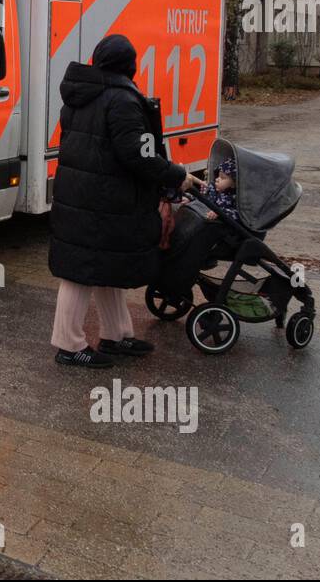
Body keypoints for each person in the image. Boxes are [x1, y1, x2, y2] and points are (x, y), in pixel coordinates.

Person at [49, 34, 201, 368]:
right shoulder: (122, 100)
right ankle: (69, 344)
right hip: (101, 199)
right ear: (128, 65)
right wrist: (177, 176)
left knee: (103, 266)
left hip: (83, 195)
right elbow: (138, 154)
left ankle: (115, 335)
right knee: (80, 272)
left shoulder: (79, 95)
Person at [204, 158, 240, 222]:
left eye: (222, 178)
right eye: (218, 176)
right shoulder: (213, 189)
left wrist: (220, 213)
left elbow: (238, 214)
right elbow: (203, 198)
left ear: (234, 184)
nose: (217, 179)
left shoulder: (236, 197)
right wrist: (190, 198)